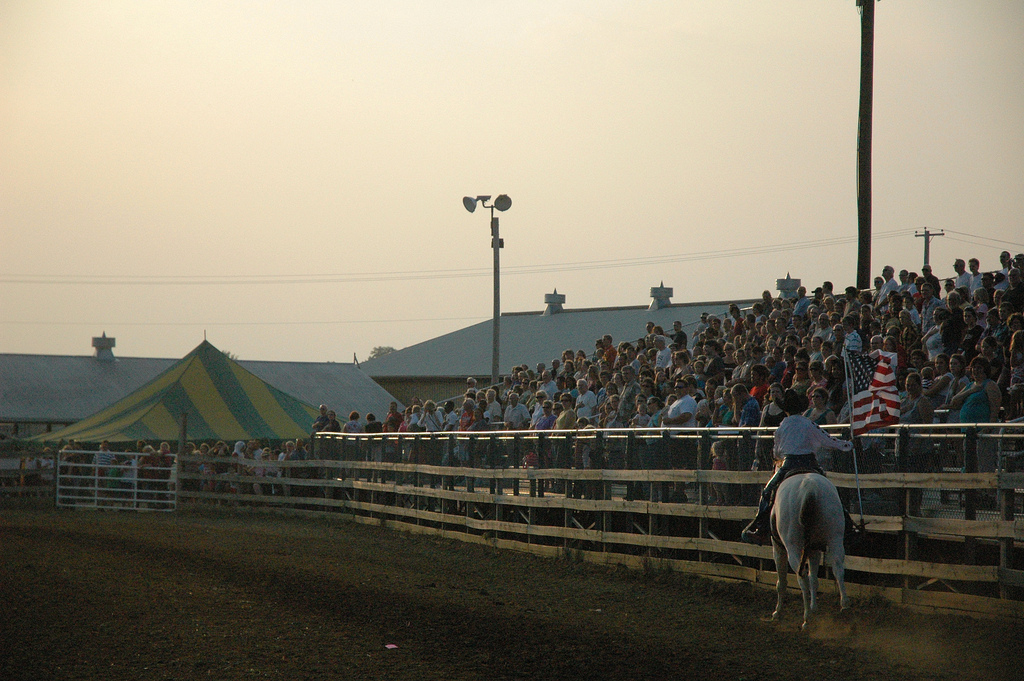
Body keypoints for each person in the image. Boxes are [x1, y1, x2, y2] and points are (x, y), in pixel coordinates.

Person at [740, 391, 858, 545]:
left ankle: (761, 528)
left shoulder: (783, 426)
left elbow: (777, 451)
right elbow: (827, 439)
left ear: (786, 409)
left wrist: (777, 458)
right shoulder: (808, 423)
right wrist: (847, 445)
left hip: (789, 464)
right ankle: (848, 527)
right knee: (832, 492)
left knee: (768, 492)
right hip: (810, 463)